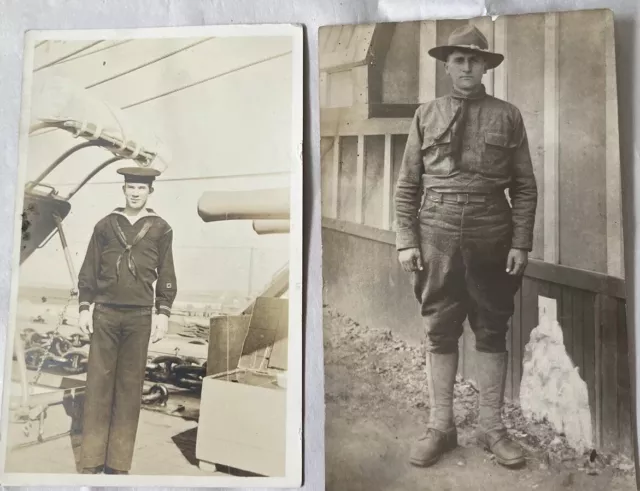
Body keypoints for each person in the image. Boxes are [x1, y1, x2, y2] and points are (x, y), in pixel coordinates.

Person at [394, 24, 538, 469]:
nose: (467, 68)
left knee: (492, 327)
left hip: (492, 232)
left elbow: (525, 187)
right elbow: (407, 186)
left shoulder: (508, 115)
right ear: (446, 65)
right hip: (435, 230)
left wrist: (520, 242)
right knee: (440, 327)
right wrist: (406, 241)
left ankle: (492, 427)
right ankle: (442, 426)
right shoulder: (426, 114)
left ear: (485, 66)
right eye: (459, 60)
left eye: (475, 60)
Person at [76, 166, 177, 474]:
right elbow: (89, 269)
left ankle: (118, 464)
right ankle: (92, 460)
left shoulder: (161, 228)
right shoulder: (105, 225)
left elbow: (167, 275)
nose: (135, 193)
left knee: (130, 388)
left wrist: (163, 313)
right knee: (97, 386)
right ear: (123, 190)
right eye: (130, 187)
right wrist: (84, 307)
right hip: (105, 314)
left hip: (140, 317)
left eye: (141, 189)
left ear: (150, 192)